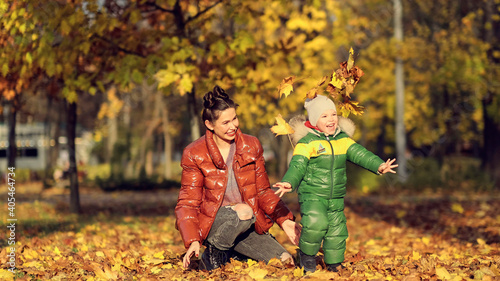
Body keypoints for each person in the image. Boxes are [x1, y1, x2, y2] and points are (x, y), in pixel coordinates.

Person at [175, 85, 302, 271]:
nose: (233, 125)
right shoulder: (194, 153)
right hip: (214, 222)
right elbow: (187, 203)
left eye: (234, 118)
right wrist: (192, 240)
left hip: (247, 223)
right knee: (243, 211)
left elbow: (263, 191)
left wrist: (284, 220)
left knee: (285, 261)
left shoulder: (252, 145)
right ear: (209, 125)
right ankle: (214, 254)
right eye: (225, 123)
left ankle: (234, 253)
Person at [274, 94, 397, 273]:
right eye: (324, 116)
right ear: (315, 120)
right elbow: (297, 165)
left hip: (336, 196)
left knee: (336, 230)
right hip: (313, 195)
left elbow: (361, 154)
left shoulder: (342, 139)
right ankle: (306, 256)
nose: (331, 119)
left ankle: (334, 263)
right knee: (316, 223)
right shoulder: (307, 143)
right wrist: (289, 182)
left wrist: (379, 165)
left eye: (333, 115)